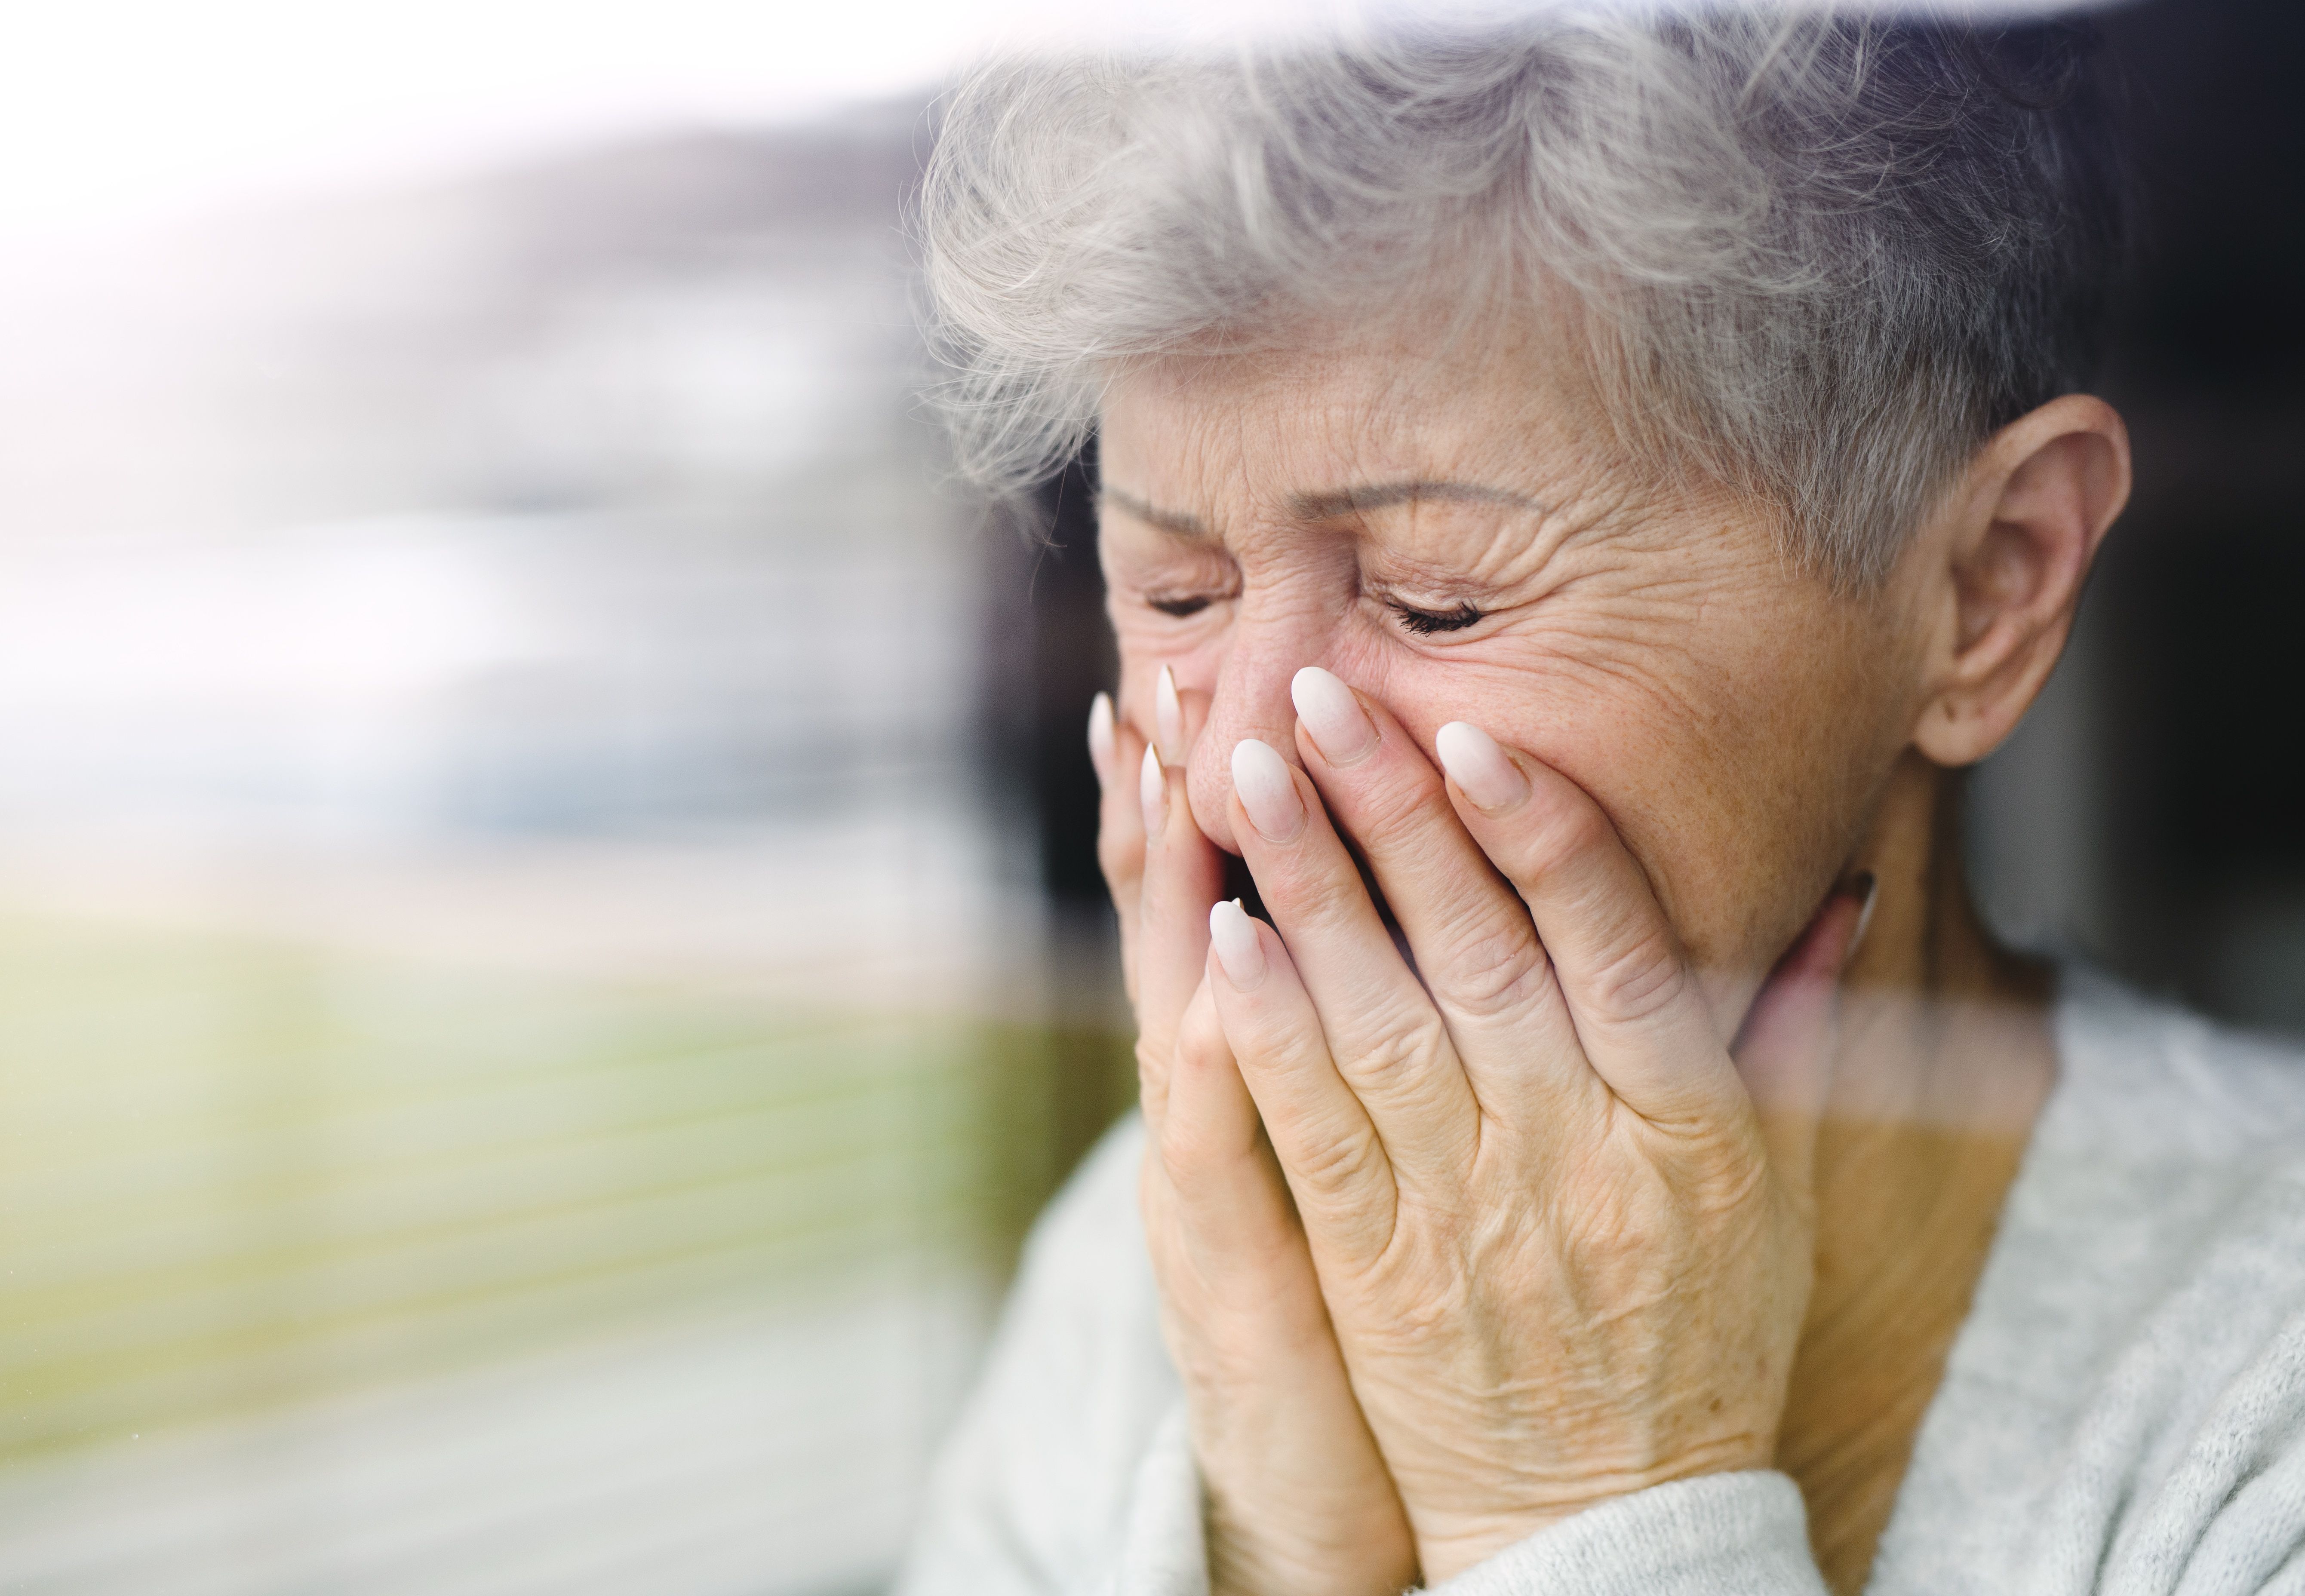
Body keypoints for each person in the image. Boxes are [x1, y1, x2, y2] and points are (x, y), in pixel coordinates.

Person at [897, 10, 2305, 1594]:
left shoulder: (2263, 1404)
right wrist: (1282, 1552)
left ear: (1989, 586)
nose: (1247, 769)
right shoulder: (1153, 1265)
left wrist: (1576, 1509)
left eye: (1440, 601)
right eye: (1178, 592)